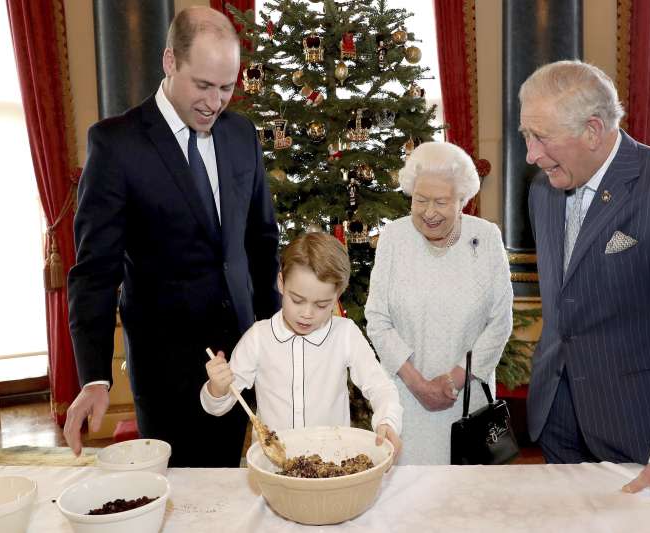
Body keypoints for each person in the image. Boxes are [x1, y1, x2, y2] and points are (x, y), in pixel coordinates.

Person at [64, 7, 281, 467]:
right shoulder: (116, 144)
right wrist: (94, 377)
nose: (215, 102)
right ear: (169, 62)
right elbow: (94, 273)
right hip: (167, 372)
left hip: (241, 357)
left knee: (228, 486)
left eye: (226, 88)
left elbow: (261, 242)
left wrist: (275, 335)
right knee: (180, 499)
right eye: (202, 85)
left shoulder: (242, 135)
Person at [520, 60, 650, 516]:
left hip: (633, 422)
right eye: (525, 136)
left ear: (593, 130)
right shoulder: (541, 190)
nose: (531, 155)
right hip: (554, 411)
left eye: (541, 137)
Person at [365, 142, 513, 465]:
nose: (429, 212)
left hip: (467, 403)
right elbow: (376, 318)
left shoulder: (486, 239)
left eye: (441, 202)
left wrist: (452, 380)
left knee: (467, 502)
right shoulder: (393, 238)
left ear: (463, 200)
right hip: (405, 399)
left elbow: (500, 321)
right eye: (420, 200)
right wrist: (418, 384)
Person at [202, 232, 403, 459]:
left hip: (332, 463)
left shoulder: (345, 334)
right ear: (281, 283)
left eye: (321, 304)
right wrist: (217, 389)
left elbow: (381, 387)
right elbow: (219, 406)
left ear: (337, 294)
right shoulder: (259, 337)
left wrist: (387, 420)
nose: (307, 314)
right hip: (274, 466)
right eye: (297, 300)